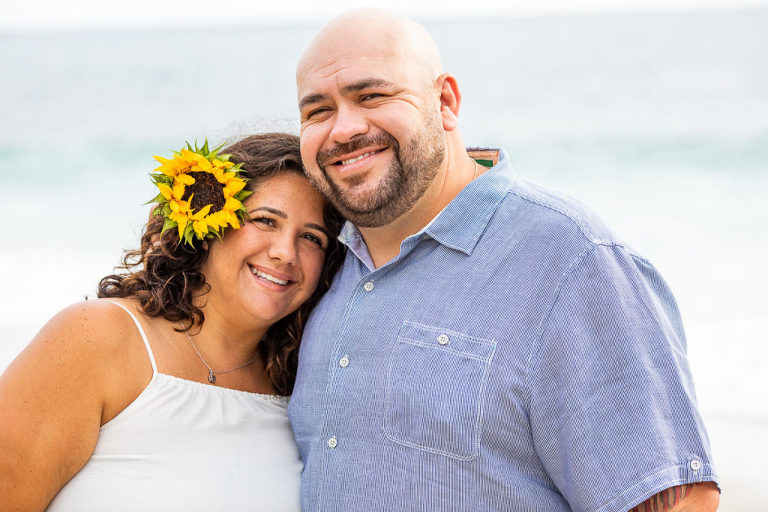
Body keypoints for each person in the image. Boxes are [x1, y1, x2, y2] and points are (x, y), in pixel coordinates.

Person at [288, 10, 720, 512]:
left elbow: (678, 502)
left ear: (445, 101)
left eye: (372, 96)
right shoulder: (322, 270)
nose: (343, 129)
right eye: (317, 111)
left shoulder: (571, 259)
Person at [0, 133, 344, 511]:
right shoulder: (99, 337)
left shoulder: (302, 390)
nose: (285, 253)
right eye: (264, 221)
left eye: (312, 238)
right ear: (206, 218)